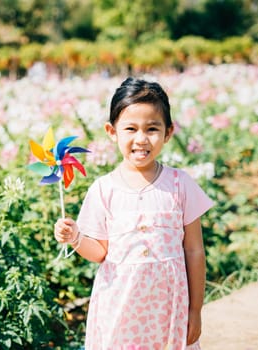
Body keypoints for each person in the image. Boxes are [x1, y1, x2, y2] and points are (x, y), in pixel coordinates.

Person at [54, 77, 214, 349]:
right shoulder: (103, 189)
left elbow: (195, 251)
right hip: (119, 309)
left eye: (152, 128)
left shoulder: (180, 184)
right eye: (130, 128)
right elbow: (99, 252)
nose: (141, 139)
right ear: (112, 131)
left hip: (169, 309)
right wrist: (76, 237)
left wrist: (195, 310)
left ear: (169, 132)